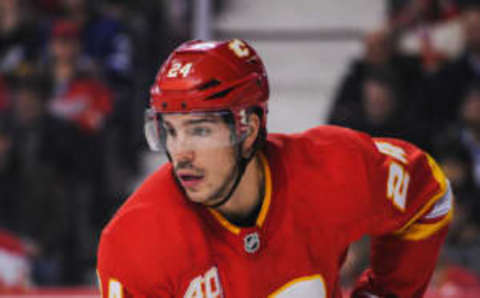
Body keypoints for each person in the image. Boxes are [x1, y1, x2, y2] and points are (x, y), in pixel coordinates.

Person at [97, 39, 453, 297]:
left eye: (200, 130)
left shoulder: (332, 168)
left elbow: (429, 195)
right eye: (170, 132)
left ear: (248, 129)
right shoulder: (135, 241)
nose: (180, 153)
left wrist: (384, 294)